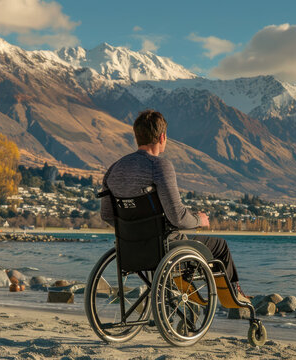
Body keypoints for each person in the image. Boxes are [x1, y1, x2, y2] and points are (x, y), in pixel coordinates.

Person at [100, 109, 249, 301]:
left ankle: (189, 303)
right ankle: (234, 298)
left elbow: (106, 215)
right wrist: (199, 220)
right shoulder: (159, 166)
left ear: (137, 136)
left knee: (180, 245)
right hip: (164, 248)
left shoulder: (114, 169)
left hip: (130, 249)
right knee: (219, 246)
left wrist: (135, 232)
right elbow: (177, 217)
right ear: (162, 137)